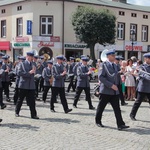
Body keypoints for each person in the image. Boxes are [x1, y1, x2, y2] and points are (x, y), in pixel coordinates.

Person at [95, 49, 129, 130]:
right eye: (113, 55)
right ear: (108, 56)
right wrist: (111, 85)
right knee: (101, 107)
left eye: (114, 55)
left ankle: (120, 124)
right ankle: (98, 121)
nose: (114, 57)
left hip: (114, 91)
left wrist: (121, 72)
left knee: (117, 108)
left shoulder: (115, 65)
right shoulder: (103, 65)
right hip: (106, 90)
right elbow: (101, 77)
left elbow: (115, 75)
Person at [15, 51, 39, 119]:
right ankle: (17, 112)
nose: (32, 58)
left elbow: (34, 73)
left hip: (31, 85)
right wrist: (29, 73)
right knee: (20, 99)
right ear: (27, 57)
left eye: (32, 57)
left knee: (32, 101)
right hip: (23, 85)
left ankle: (33, 114)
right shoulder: (22, 64)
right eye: (30, 57)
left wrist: (35, 74)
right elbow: (19, 73)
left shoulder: (33, 64)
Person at [130, 53, 150, 121]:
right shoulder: (142, 67)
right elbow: (143, 75)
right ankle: (132, 115)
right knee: (138, 102)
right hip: (143, 87)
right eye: (149, 58)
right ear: (146, 59)